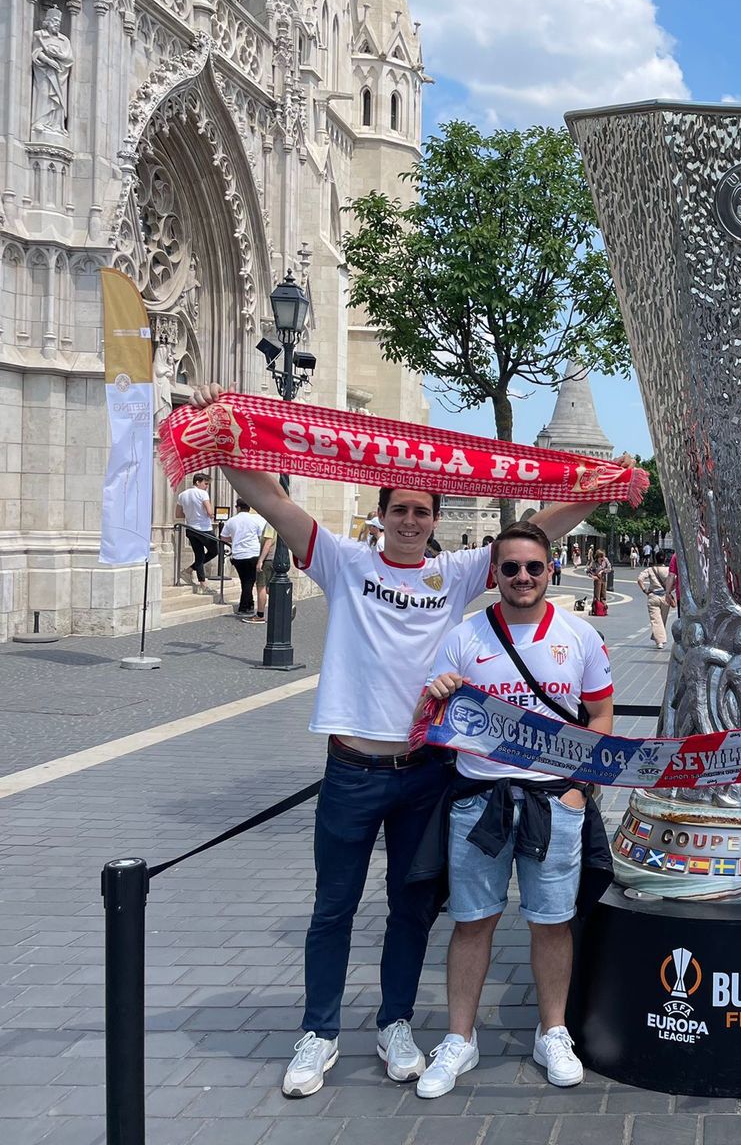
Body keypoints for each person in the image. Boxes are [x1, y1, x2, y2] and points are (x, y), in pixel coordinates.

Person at [182, 383, 606, 1099]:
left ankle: (396, 1022)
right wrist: (213, 441)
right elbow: (274, 504)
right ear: (379, 518)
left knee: (412, 908)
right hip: (353, 769)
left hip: (426, 775)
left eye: (422, 510)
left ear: (437, 520)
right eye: (399, 509)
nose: (410, 519)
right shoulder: (346, 562)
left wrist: (603, 487)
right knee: (334, 908)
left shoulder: (456, 573)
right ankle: (318, 1033)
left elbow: (541, 531)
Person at [412, 523, 615, 1096]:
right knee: (472, 921)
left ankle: (552, 1030)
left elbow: (600, 718)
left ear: (551, 570)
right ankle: (459, 1037)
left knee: (552, 921)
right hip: (481, 801)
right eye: (510, 568)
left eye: (533, 567)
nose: (523, 577)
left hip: (555, 801)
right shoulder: (463, 637)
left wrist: (581, 789)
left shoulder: (580, 636)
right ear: (494, 574)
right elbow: (431, 722)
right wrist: (439, 694)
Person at [220, 497, 268, 617]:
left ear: (238, 507)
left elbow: (223, 537)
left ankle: (248, 604)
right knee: (249, 581)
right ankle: (245, 606)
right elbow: (261, 536)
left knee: (245, 580)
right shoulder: (256, 519)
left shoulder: (231, 521)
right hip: (253, 553)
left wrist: (235, 539)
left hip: (238, 554)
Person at [176, 473, 217, 590]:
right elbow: (209, 511)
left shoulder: (182, 495)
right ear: (197, 482)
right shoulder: (202, 493)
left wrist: (191, 514)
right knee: (215, 551)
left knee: (199, 555)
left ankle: (199, 580)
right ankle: (197, 578)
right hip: (204, 529)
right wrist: (211, 515)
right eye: (206, 483)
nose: (207, 487)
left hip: (191, 528)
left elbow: (178, 514)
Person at [638, 553, 674, 649]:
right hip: (665, 597)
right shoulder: (668, 570)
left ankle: (659, 641)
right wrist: (669, 590)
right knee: (662, 619)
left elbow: (640, 579)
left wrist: (645, 590)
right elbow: (675, 580)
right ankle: (660, 639)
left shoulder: (650, 570)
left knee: (656, 620)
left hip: (653, 596)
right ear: (665, 559)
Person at [587, 549, 612, 617]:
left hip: (603, 578)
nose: (603, 558)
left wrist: (603, 571)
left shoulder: (605, 560)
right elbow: (588, 571)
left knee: (603, 594)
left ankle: (603, 608)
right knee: (597, 594)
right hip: (597, 579)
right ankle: (596, 609)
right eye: (601, 557)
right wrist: (593, 576)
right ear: (598, 557)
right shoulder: (594, 563)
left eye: (603, 557)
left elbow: (609, 568)